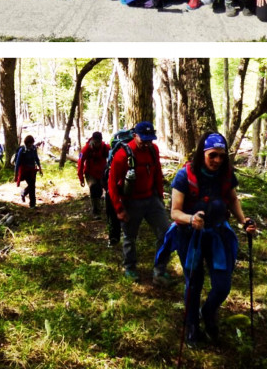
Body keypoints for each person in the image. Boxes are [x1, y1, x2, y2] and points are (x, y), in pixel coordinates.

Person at [158, 132, 256, 347]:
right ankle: (192, 325)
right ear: (203, 153)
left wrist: (243, 220)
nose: (217, 160)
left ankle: (208, 312)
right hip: (190, 237)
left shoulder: (226, 174)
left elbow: (232, 199)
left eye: (221, 156)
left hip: (218, 235)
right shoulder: (185, 176)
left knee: (222, 285)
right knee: (194, 283)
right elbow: (174, 212)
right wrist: (191, 218)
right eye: (213, 155)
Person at [107, 121, 171, 284]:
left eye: (150, 140)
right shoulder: (122, 155)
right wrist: (119, 209)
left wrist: (159, 197)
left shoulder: (153, 149)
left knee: (165, 232)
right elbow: (112, 184)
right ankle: (130, 268)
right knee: (130, 237)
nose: (147, 143)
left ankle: (160, 271)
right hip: (131, 202)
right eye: (144, 140)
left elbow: (157, 172)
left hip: (151, 199)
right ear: (135, 136)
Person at [78, 131, 110, 217]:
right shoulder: (86, 149)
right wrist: (81, 178)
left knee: (101, 190)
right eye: (95, 142)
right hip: (90, 173)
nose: (97, 144)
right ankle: (96, 211)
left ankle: (102, 206)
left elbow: (111, 157)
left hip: (102, 172)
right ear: (92, 140)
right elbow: (80, 163)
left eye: (99, 142)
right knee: (94, 188)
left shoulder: (105, 147)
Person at [14, 135, 43, 208]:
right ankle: (32, 204)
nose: (31, 145)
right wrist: (16, 174)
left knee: (32, 186)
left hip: (32, 170)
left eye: (32, 143)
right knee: (31, 186)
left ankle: (29, 200)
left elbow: (36, 158)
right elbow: (17, 163)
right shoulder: (22, 150)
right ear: (27, 143)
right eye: (30, 143)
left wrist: (40, 168)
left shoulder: (33, 149)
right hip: (25, 170)